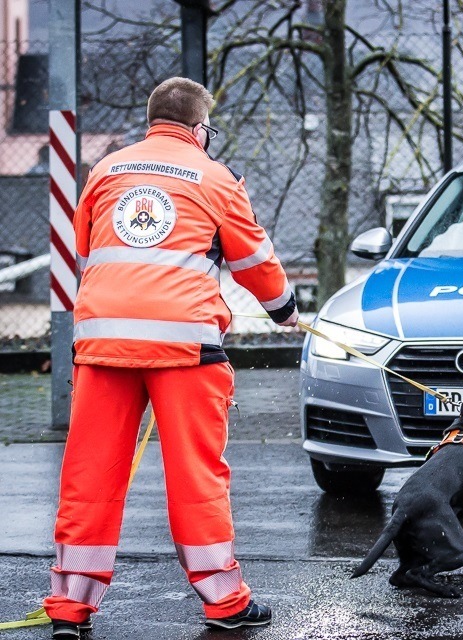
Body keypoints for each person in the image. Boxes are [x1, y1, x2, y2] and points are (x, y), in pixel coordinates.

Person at [43, 77, 298, 638]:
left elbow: (88, 248)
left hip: (103, 344)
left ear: (152, 119)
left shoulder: (107, 170)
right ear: (200, 128)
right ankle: (224, 601)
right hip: (185, 348)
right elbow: (256, 263)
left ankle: (69, 607)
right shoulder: (217, 176)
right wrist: (286, 313)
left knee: (88, 473)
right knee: (196, 476)